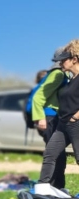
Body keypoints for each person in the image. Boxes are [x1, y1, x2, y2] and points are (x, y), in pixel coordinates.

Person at [37, 40, 79, 196]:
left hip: (76, 124)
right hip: (62, 124)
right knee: (50, 153)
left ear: (74, 59)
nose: (60, 62)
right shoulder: (70, 78)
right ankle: (42, 190)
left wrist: (77, 115)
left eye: (64, 59)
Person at [30, 52, 68, 191]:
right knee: (54, 154)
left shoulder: (61, 74)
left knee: (59, 154)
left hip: (55, 116)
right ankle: (51, 187)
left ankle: (57, 187)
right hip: (50, 117)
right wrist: (41, 117)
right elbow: (38, 96)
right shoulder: (57, 74)